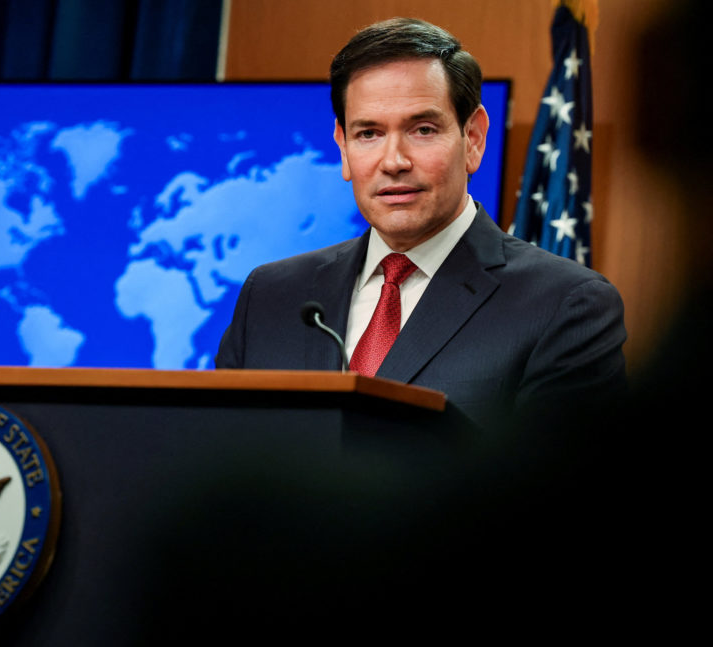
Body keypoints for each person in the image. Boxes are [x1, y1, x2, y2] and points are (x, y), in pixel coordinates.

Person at [215, 17, 626, 428]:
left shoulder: (565, 305)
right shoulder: (270, 296)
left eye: (423, 129)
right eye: (368, 134)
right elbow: (215, 457)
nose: (393, 162)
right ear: (342, 147)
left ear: (474, 139)